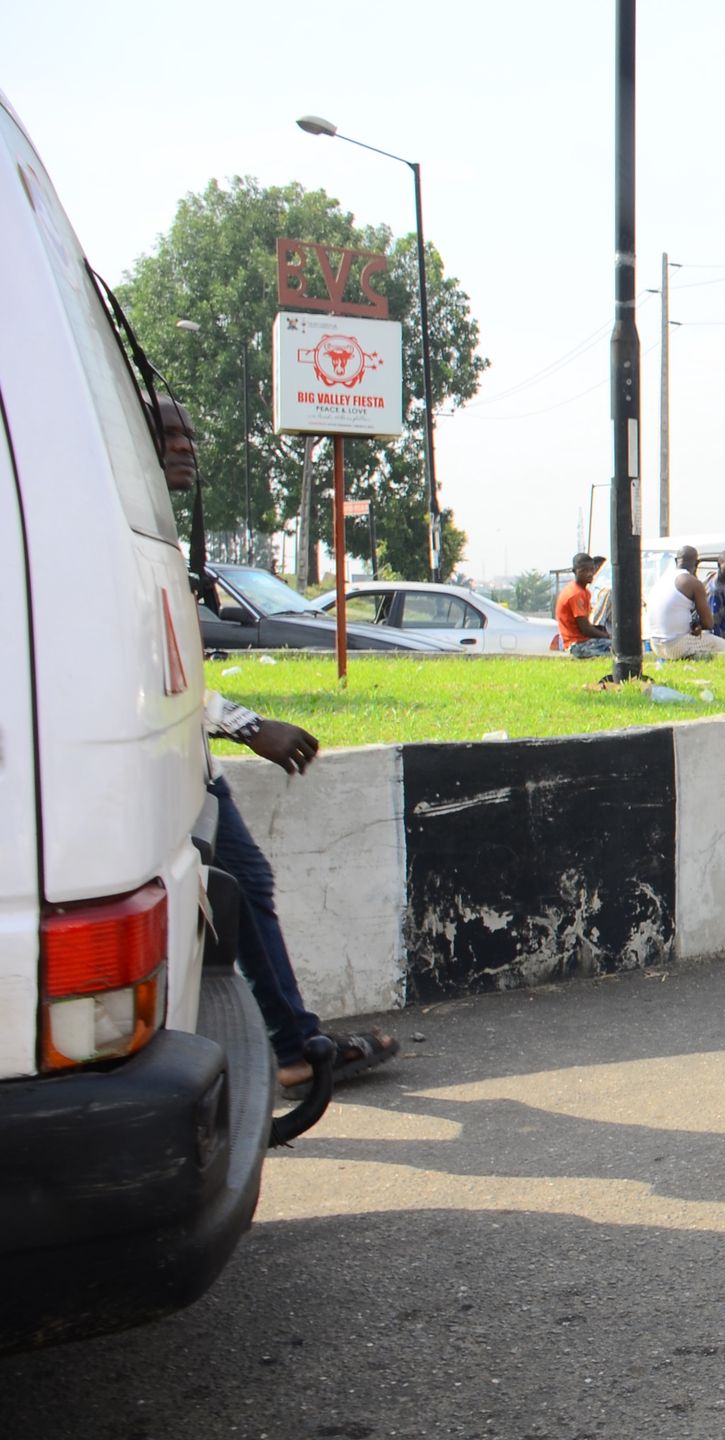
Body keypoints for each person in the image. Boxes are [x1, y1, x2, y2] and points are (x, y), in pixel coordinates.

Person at [155, 395, 398, 1092]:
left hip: (180, 760)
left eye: (189, 432)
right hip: (153, 762)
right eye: (166, 434)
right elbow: (149, 666)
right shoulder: (111, 530)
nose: (184, 447)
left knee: (243, 887)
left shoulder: (150, 532)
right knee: (227, 894)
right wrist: (248, 725)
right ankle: (285, 1046)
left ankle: (291, 1045)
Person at [646, 545, 725, 659]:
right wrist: (698, 625)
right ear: (696, 564)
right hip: (675, 645)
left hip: (655, 644)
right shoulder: (693, 582)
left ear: (676, 561)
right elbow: (708, 623)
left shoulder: (662, 580)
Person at [555, 553, 613, 659]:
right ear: (575, 572)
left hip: (582, 641)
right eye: (584, 571)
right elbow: (585, 629)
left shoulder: (584, 592)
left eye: (591, 570)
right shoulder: (575, 594)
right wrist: (607, 636)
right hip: (576, 644)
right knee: (618, 649)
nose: (589, 574)